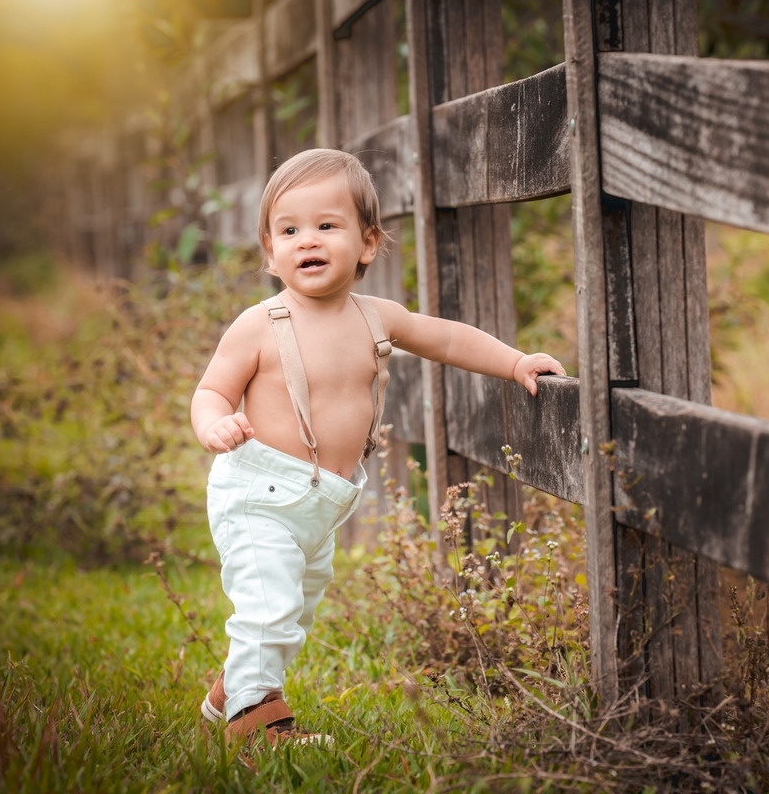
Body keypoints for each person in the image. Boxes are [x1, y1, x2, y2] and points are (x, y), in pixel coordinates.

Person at [190, 148, 565, 746]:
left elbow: (444, 337)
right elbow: (211, 390)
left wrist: (514, 361)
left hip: (323, 504)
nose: (306, 240)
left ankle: (232, 689)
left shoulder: (377, 318)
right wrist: (214, 424)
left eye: (326, 225)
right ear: (270, 251)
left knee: (292, 614)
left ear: (367, 244)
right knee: (269, 604)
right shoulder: (259, 324)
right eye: (288, 230)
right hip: (258, 495)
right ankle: (257, 726)